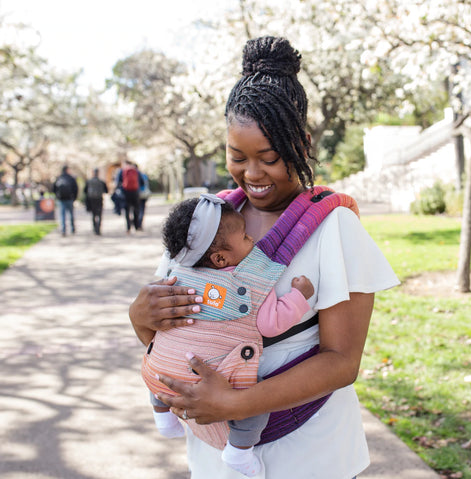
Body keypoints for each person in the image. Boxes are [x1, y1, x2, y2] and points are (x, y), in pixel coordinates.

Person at [129, 36, 400, 479]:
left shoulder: (334, 227)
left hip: (311, 454)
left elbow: (341, 360)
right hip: (216, 456)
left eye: (270, 158)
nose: (252, 174)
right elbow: (181, 335)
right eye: (237, 157)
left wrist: (237, 403)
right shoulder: (205, 223)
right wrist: (140, 317)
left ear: (304, 144)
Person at [144, 193, 314, 477]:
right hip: (211, 378)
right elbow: (272, 323)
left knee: (164, 368)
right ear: (221, 258)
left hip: (157, 370)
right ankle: (238, 453)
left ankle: (162, 417)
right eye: (246, 237)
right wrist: (300, 296)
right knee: (255, 406)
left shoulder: (176, 273)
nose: (253, 241)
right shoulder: (249, 282)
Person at [115, 159, 144, 233]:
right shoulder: (136, 171)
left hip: (126, 193)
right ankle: (136, 226)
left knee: (127, 210)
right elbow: (142, 182)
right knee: (136, 209)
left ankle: (128, 228)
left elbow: (117, 183)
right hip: (135, 192)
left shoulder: (122, 171)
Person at [53, 165, 78, 237]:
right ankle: (72, 228)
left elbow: (54, 188)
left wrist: (57, 196)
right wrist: (74, 198)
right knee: (71, 214)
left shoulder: (59, 178)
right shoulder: (71, 178)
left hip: (61, 200)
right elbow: (75, 188)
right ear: (67, 170)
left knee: (62, 215)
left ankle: (63, 230)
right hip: (70, 199)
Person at [83, 168, 108, 235]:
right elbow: (106, 191)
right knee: (99, 214)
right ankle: (98, 228)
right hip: (99, 199)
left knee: (94, 214)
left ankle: (95, 228)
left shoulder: (89, 181)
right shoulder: (101, 182)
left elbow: (85, 191)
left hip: (92, 200)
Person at [137, 166, 151, 230]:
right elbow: (146, 185)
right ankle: (140, 224)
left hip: (136, 194)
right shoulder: (144, 175)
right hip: (144, 194)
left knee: (136, 210)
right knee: (142, 209)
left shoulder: (136, 175)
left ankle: (136, 224)